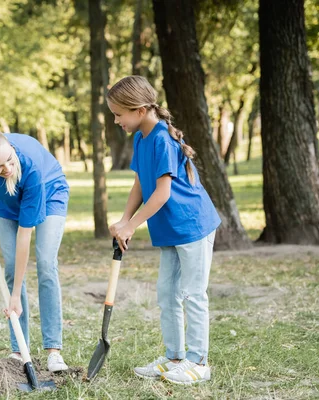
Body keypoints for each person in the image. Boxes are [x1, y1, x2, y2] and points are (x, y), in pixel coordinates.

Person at [106, 76, 221, 384]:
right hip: (170, 228)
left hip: (192, 225)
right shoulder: (141, 139)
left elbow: (162, 193)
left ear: (141, 109)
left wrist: (131, 226)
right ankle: (174, 358)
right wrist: (124, 220)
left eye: (119, 114)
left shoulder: (160, 138)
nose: (116, 120)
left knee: (194, 293)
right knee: (167, 294)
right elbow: (141, 183)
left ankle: (199, 363)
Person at [0, 127, 70, 372]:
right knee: (11, 268)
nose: (8, 169)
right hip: (8, 201)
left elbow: (25, 237)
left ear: (11, 148)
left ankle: (53, 351)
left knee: (45, 263)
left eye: (9, 160)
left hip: (49, 192)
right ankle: (18, 349)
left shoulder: (30, 167)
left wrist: (14, 297)